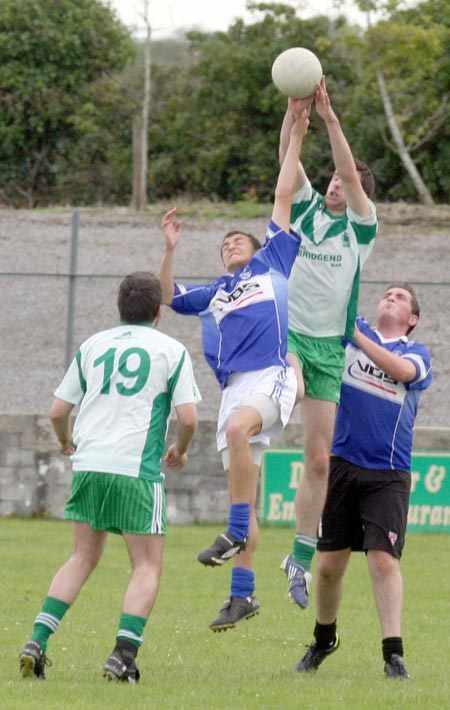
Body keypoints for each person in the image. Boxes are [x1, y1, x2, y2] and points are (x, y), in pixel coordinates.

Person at [158, 100, 311, 631]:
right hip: (235, 388)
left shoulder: (272, 262)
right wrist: (170, 248)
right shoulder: (214, 292)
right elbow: (164, 296)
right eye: (224, 244)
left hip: (272, 374)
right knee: (246, 487)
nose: (230, 246)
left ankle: (232, 530)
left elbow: (283, 192)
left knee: (241, 442)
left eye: (237, 239)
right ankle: (242, 595)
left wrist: (295, 134)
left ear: (257, 247)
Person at [19, 271, 201, 683]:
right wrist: (181, 448)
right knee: (146, 565)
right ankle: (122, 656)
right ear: (159, 311)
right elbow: (189, 417)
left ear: (119, 308)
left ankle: (36, 640)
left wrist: (66, 442)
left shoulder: (93, 345)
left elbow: (57, 411)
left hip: (90, 463)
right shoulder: (170, 349)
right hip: (136, 470)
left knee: (81, 557)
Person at [296, 283, 432, 679]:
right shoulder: (356, 333)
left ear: (413, 319)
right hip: (342, 465)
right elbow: (330, 293)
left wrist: (355, 337)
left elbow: (403, 372)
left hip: (387, 473)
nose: (390, 297)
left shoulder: (415, 354)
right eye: (386, 294)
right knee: (327, 567)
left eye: (400, 297)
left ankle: (393, 655)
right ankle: (324, 639)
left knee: (383, 559)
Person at [279, 76, 378, 608]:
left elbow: (349, 170)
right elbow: (286, 166)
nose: (338, 185)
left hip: (328, 349)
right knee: (287, 391)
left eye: (347, 181)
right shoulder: (307, 210)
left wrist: (331, 119)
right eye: (335, 182)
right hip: (290, 333)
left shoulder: (361, 230)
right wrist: (296, 117)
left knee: (319, 460)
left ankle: (297, 554)